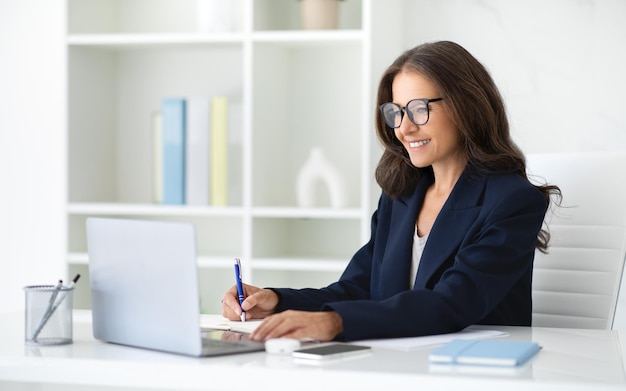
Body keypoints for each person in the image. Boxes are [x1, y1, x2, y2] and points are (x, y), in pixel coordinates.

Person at [221, 40, 561, 342]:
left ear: (465, 106)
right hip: (398, 364)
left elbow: (453, 302)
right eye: (396, 112)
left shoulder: (512, 201)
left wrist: (336, 323)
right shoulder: (402, 195)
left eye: (419, 109)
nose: (405, 127)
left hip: (475, 370)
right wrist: (277, 300)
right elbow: (358, 288)